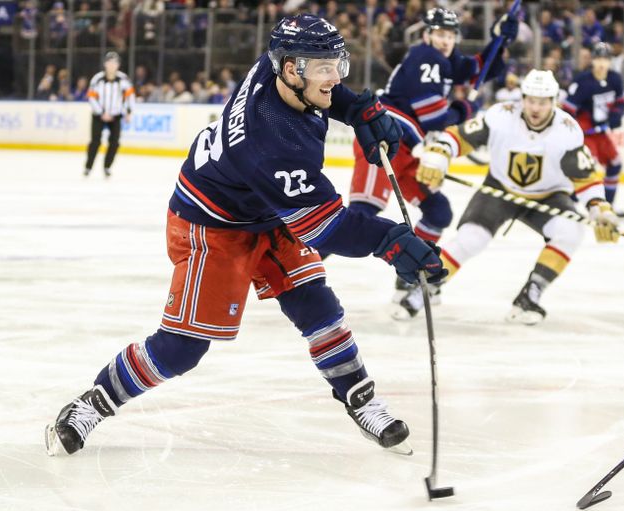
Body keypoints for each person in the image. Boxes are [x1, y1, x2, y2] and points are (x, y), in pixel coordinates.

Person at [45, 14, 445, 457]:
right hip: (211, 224)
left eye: (337, 63)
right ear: (292, 70)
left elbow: (330, 98)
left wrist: (357, 111)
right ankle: (94, 403)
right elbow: (326, 228)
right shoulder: (271, 143)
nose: (334, 76)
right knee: (182, 348)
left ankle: (361, 400)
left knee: (316, 304)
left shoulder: (272, 69)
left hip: (262, 208)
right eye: (323, 67)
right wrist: (390, 241)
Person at [395, 70, 619, 323]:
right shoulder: (501, 116)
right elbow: (461, 136)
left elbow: (585, 177)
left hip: (548, 197)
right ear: (522, 98)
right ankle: (426, 289)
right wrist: (440, 153)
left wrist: (599, 206)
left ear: (554, 101)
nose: (536, 107)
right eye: (531, 100)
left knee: (571, 230)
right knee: (471, 238)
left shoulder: (567, 131)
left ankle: (530, 295)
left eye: (543, 101)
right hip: (499, 191)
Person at [347, 6, 517, 301]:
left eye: (450, 34)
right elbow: (435, 118)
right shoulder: (427, 57)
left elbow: (481, 67)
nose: (445, 40)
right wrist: (467, 109)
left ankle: (409, 274)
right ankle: (298, 265)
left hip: (407, 148)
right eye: (439, 33)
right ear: (427, 35)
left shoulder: (446, 61)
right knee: (362, 216)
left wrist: (500, 42)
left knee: (438, 212)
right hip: (382, 140)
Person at [562, 42, 624, 214]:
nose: (601, 63)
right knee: (587, 167)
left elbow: (620, 102)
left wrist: (615, 116)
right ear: (592, 60)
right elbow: (568, 110)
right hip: (585, 133)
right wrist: (576, 131)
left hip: (600, 132)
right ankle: (571, 203)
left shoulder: (615, 79)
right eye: (598, 58)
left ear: (610, 61)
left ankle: (609, 205)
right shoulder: (582, 81)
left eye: (605, 59)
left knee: (615, 163)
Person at [84, 51, 135, 179]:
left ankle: (107, 167)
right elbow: (91, 97)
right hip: (99, 115)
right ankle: (88, 167)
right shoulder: (97, 79)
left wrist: (128, 112)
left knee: (114, 142)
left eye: (115, 62)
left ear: (118, 65)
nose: (112, 65)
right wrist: (101, 112)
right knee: (95, 141)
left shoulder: (124, 79)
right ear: (105, 64)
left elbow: (130, 97)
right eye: (109, 62)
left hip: (116, 115)